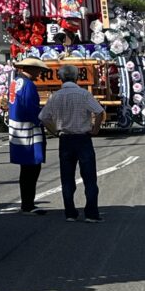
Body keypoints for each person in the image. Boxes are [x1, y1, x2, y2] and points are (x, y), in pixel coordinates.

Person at [39, 64, 105, 223]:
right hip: (83, 138)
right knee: (89, 177)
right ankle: (91, 213)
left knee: (67, 178)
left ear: (60, 78)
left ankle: (70, 212)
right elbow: (99, 111)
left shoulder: (55, 96)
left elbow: (43, 117)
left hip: (65, 139)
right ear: (77, 77)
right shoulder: (83, 94)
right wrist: (95, 130)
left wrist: (54, 131)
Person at [8, 57, 48, 215]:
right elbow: (32, 109)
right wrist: (44, 119)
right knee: (32, 168)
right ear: (31, 69)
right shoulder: (29, 85)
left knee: (25, 170)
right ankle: (28, 204)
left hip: (16, 129)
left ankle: (27, 203)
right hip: (28, 131)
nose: (40, 72)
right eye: (38, 70)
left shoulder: (15, 82)